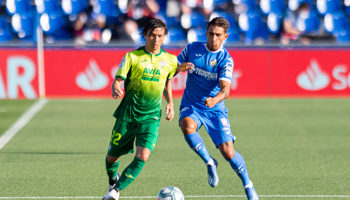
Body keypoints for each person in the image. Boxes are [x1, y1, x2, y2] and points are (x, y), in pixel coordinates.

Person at [176, 17, 259, 200]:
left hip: (214, 109)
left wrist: (214, 100)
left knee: (228, 152)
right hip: (192, 105)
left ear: (225, 36)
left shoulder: (225, 59)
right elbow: (171, 68)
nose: (214, 38)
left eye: (218, 35)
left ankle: (248, 184)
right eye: (211, 34)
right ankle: (209, 162)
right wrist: (179, 67)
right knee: (186, 125)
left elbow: (225, 90)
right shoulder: (192, 49)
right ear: (206, 33)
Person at [102, 18, 178, 200]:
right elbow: (119, 79)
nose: (156, 39)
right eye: (152, 35)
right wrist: (116, 86)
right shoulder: (131, 57)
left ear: (164, 37)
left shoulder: (170, 60)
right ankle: (113, 179)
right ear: (145, 35)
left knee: (143, 155)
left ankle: (115, 191)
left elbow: (167, 81)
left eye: (160, 36)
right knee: (112, 157)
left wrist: (170, 103)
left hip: (151, 117)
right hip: (128, 115)